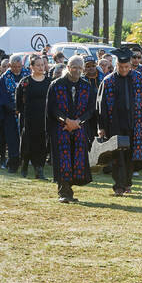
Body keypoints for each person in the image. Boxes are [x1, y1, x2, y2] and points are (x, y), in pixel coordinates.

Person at [97, 47, 142, 195]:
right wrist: (101, 126)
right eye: (121, 67)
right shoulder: (108, 81)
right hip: (115, 124)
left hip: (136, 124)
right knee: (118, 156)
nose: (124, 70)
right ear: (116, 66)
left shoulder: (138, 78)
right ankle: (119, 185)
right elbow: (101, 105)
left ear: (130, 65)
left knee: (133, 155)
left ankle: (127, 182)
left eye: (126, 67)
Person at [47, 56, 94, 203]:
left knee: (76, 159)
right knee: (63, 159)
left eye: (80, 68)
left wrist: (78, 122)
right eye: (74, 67)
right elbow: (52, 108)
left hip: (79, 128)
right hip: (61, 128)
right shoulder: (56, 85)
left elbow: (91, 109)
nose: (77, 70)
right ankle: (64, 192)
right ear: (68, 67)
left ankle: (70, 189)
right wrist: (66, 121)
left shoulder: (87, 86)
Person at [15, 56, 51, 179]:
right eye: (38, 65)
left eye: (43, 65)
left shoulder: (49, 82)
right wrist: (21, 113)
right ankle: (24, 164)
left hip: (44, 119)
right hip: (29, 118)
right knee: (27, 143)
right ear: (31, 67)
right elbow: (19, 100)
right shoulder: (25, 82)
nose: (41, 67)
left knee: (42, 144)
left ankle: (39, 169)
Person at [0, 54, 29, 172]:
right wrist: (14, 108)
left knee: (25, 138)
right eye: (14, 67)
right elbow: (2, 98)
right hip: (10, 114)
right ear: (9, 65)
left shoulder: (27, 75)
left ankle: (24, 162)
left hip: (26, 114)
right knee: (12, 140)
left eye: (18, 66)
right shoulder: (4, 78)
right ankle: (13, 163)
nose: (16, 69)